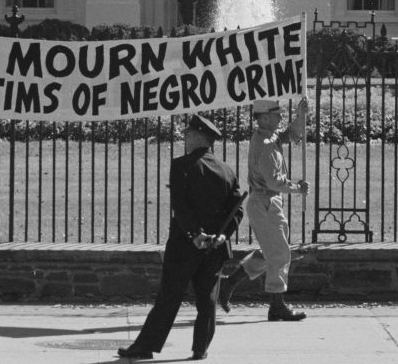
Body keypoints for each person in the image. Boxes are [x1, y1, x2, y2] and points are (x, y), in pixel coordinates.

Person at [118, 114, 244, 361]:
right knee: (207, 299)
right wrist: (222, 236)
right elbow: (236, 210)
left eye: (188, 135)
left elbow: (181, 205)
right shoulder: (226, 170)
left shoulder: (182, 166)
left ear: (199, 137)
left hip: (185, 244)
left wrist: (194, 233)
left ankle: (146, 346)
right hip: (215, 246)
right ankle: (200, 348)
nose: (185, 139)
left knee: (169, 296)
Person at [218, 98, 309, 322]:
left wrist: (301, 116)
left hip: (267, 201)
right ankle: (277, 305)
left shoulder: (268, 137)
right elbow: (273, 181)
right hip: (265, 200)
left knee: (271, 251)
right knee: (279, 253)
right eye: (277, 114)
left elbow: (291, 134)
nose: (280, 117)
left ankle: (229, 284)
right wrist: (297, 188)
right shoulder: (266, 144)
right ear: (265, 117)